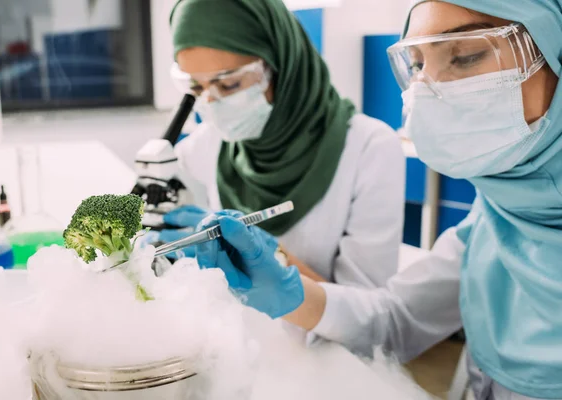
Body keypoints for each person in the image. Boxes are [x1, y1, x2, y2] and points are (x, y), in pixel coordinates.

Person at [193, 0, 562, 399]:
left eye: (466, 56)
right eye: (417, 66)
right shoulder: (495, 218)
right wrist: (289, 291)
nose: (427, 92)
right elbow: (395, 321)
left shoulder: (365, 143)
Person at [150, 0, 406, 291]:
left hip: (317, 337)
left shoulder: (369, 148)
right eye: (196, 87)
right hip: (229, 331)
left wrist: (271, 259)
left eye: (230, 84)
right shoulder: (206, 145)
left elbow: (370, 316)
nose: (211, 103)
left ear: (282, 66)